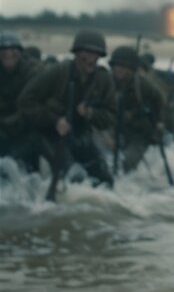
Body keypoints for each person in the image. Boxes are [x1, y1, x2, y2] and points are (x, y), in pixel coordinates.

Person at [18, 29, 115, 187]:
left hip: (81, 135)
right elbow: (26, 101)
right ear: (76, 53)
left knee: (105, 181)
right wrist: (54, 121)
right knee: (73, 179)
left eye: (95, 54)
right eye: (85, 53)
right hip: (51, 135)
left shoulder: (103, 80)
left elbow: (110, 116)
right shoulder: (58, 72)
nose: (90, 58)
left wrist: (91, 113)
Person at [110, 46, 165, 173]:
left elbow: (159, 100)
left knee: (128, 162)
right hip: (115, 128)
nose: (119, 69)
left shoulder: (142, 85)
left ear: (132, 69)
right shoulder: (106, 82)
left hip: (138, 132)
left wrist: (159, 121)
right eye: (116, 66)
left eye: (124, 66)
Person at [0, 31, 43, 169]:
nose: (8, 54)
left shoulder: (31, 71)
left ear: (20, 52)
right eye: (4, 50)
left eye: (13, 50)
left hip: (26, 127)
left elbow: (33, 103)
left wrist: (12, 120)